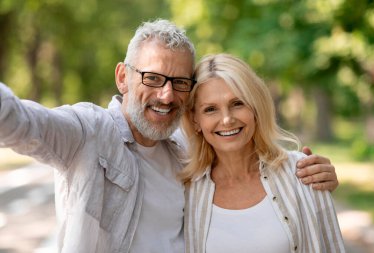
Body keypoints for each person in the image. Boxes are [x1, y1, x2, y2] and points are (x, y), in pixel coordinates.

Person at [0, 19, 338, 253]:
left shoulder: (183, 153)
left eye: (179, 83)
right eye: (152, 78)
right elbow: (21, 121)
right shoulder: (87, 132)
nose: (166, 95)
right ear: (123, 77)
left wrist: (313, 173)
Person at [181, 53, 345, 253]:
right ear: (195, 120)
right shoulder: (185, 190)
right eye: (210, 109)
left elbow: (332, 247)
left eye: (237, 103)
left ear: (255, 108)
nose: (226, 120)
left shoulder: (303, 173)